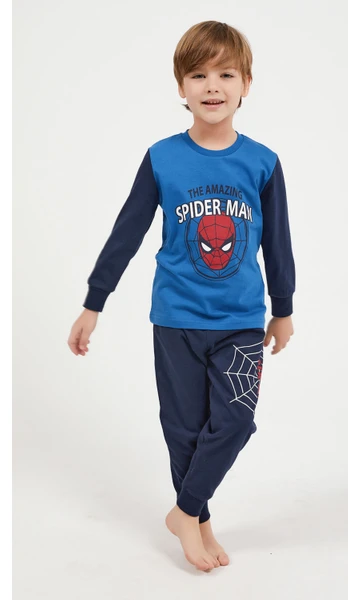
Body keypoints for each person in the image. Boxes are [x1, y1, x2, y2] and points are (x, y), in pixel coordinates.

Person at [67, 20, 296, 572]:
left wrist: (283, 309)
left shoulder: (262, 162)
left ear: (246, 85)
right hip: (175, 318)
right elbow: (126, 233)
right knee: (184, 431)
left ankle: (183, 511)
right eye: (199, 75)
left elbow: (277, 242)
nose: (212, 86)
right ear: (181, 87)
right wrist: (94, 303)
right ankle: (200, 523)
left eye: (226, 74)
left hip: (241, 318)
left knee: (235, 423)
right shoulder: (162, 158)